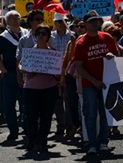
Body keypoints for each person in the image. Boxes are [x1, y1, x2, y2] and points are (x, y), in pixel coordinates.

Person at [72, 11, 119, 155]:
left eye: (97, 21)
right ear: (85, 24)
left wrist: (113, 55)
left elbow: (117, 56)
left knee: (106, 114)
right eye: (91, 21)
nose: (95, 23)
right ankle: (92, 144)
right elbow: (79, 66)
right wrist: (94, 81)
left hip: (107, 83)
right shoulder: (81, 43)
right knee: (91, 114)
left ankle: (103, 142)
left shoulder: (107, 37)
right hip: (89, 85)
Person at [20, 25, 60, 155]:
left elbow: (59, 72)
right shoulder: (30, 52)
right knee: (30, 117)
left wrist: (54, 72)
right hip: (31, 89)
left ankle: (42, 141)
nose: (41, 36)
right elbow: (22, 66)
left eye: (44, 34)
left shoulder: (53, 53)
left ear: (48, 37)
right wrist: (25, 70)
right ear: (35, 37)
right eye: (38, 34)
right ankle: (32, 140)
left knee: (46, 117)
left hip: (49, 88)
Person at [0, 10, 26, 141]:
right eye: (14, 18)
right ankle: (13, 130)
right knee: (9, 104)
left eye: (18, 17)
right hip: (9, 74)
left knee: (26, 102)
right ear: (8, 21)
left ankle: (26, 128)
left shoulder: (27, 34)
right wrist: (2, 69)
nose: (17, 20)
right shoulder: (3, 37)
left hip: (26, 74)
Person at [50, 13, 75, 139]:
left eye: (62, 21)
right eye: (58, 22)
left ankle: (70, 126)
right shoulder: (50, 37)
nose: (60, 24)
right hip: (54, 73)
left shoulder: (72, 36)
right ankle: (61, 125)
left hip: (68, 73)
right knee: (57, 102)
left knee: (68, 100)